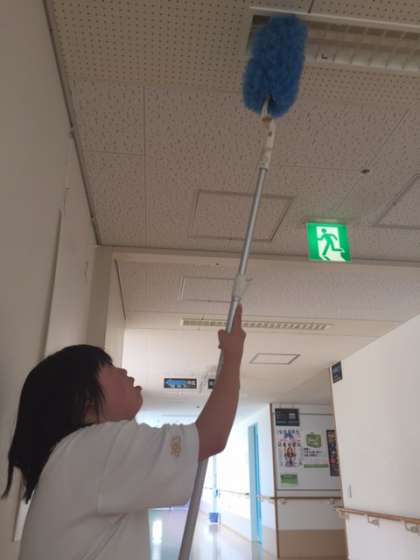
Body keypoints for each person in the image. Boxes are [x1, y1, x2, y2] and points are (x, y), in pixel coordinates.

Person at [2, 305, 246, 560]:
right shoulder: (91, 450)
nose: (123, 371)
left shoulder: (71, 457)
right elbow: (211, 436)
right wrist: (233, 357)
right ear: (85, 402)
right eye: (108, 367)